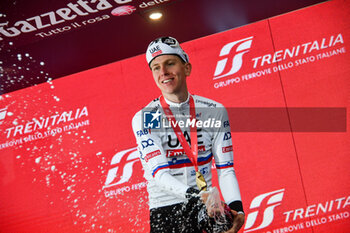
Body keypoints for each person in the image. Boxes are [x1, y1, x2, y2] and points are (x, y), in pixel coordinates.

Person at [132, 36, 245, 233]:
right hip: (166, 208)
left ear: (187, 68)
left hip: (206, 206)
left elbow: (225, 169)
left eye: (170, 63)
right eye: (156, 67)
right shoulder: (147, 116)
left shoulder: (214, 110)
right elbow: (160, 175)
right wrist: (196, 196)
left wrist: (237, 210)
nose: (163, 72)